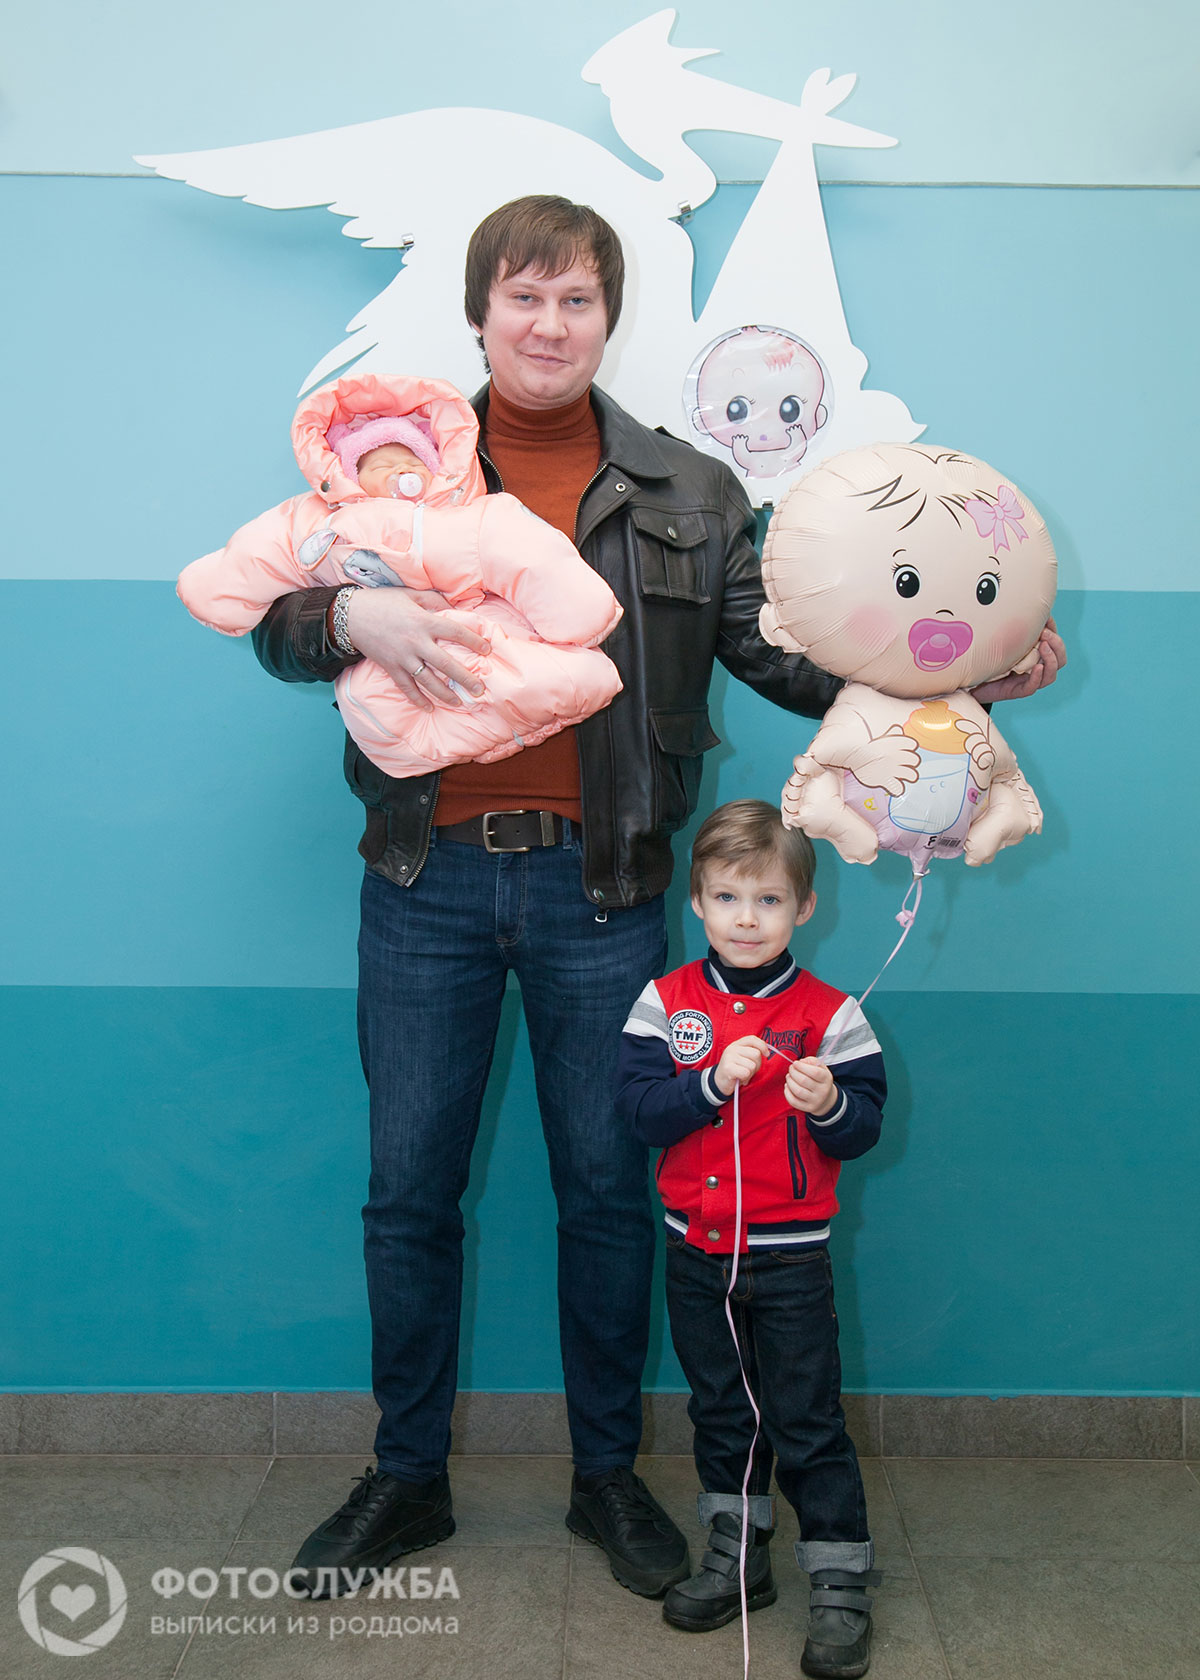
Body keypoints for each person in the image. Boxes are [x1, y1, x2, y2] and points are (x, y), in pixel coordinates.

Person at [247, 195, 1064, 1602]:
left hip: (605, 892)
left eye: (575, 299)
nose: (548, 323)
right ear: (480, 315)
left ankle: (606, 1480)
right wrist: (346, 614)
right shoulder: (394, 461)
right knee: (407, 1196)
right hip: (424, 882)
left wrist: (971, 673)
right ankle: (406, 1477)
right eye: (523, 297)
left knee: (607, 1194)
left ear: (608, 320)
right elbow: (273, 614)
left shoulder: (692, 489)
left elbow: (786, 659)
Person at [616, 799, 885, 1678]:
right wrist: (707, 1086)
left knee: (806, 1417)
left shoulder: (833, 1015)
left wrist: (831, 1103)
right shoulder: (664, 1002)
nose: (745, 918)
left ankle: (839, 1577)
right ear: (697, 901)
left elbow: (864, 1127)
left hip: (790, 1258)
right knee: (723, 1411)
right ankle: (738, 1557)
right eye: (728, 897)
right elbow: (640, 1113)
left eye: (768, 900)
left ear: (804, 908)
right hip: (696, 1254)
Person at [177, 372, 623, 777]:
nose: (400, 473)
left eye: (411, 460)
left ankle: (558, 678)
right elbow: (261, 553)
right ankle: (453, 736)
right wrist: (346, 614)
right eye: (379, 465)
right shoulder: (323, 521)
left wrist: (583, 618)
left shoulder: (469, 516)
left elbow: (527, 554)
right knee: (368, 702)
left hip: (476, 623)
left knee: (541, 662)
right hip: (418, 789)